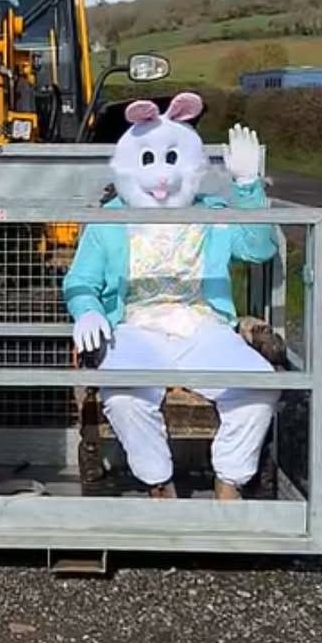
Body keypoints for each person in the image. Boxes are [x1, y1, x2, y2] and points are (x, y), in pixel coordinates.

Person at [62, 95, 280, 501]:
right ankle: (159, 482)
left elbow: (258, 248)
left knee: (259, 387)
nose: (162, 176)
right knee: (123, 395)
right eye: (148, 161)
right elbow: (80, 280)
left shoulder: (213, 214)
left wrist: (247, 188)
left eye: (172, 161)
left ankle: (229, 481)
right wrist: (88, 311)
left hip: (201, 324)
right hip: (134, 327)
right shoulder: (108, 220)